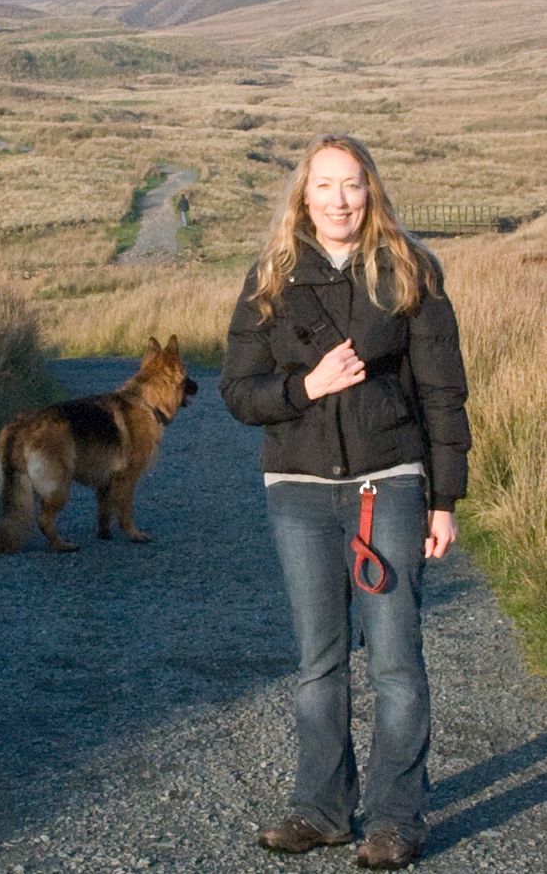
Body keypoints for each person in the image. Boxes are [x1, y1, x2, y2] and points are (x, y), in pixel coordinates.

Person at [219, 133, 470, 870]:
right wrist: (305, 387)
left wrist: (443, 499)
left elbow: (441, 394)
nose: (338, 200)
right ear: (303, 195)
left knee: (395, 661)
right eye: (324, 185)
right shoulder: (269, 277)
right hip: (297, 490)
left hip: (386, 482)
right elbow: (237, 392)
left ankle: (395, 820)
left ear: (371, 192)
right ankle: (321, 810)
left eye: (352, 185)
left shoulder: (408, 272)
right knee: (317, 662)